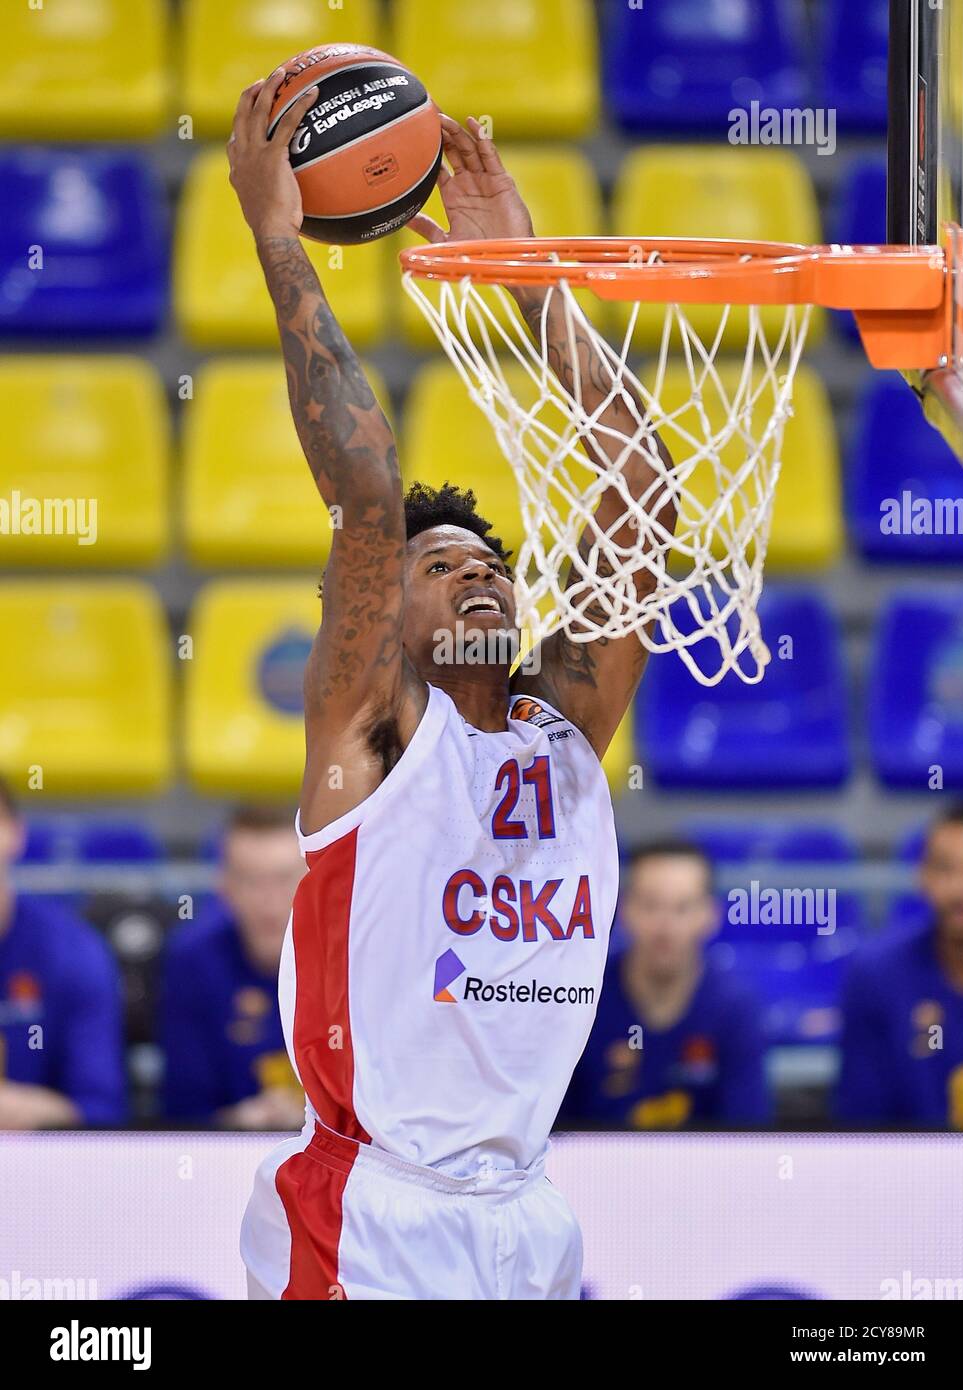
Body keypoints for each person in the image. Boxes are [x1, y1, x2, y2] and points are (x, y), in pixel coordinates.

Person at [229, 71, 676, 1301]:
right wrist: (278, 238)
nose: (476, 576)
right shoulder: (368, 737)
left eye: (489, 563)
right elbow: (367, 496)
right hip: (371, 1210)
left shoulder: (561, 732)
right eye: (439, 568)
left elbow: (643, 495)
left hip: (531, 1210)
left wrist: (535, 290)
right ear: (388, 618)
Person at [562, 842, 770, 1128]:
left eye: (682, 908)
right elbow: (556, 1135)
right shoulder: (584, 1000)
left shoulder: (735, 1009)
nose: (665, 926)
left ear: (710, 915)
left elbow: (749, 1138)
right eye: (651, 906)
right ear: (624, 909)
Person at [160, 805, 306, 1128]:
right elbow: (181, 1111)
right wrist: (240, 1122)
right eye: (251, 881)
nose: (268, 900)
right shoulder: (193, 964)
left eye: (283, 879)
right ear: (224, 886)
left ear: (312, 880)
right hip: (226, 1157)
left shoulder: (350, 960)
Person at [835, 803, 963, 1129]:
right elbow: (860, 1123)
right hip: (906, 1174)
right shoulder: (876, 975)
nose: (961, 889)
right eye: (944, 868)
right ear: (922, 876)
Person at [0, 779, 126, 1128]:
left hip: (44, 1168)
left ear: (15, 834)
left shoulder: (73, 952)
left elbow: (103, 1108)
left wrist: (27, 1111)